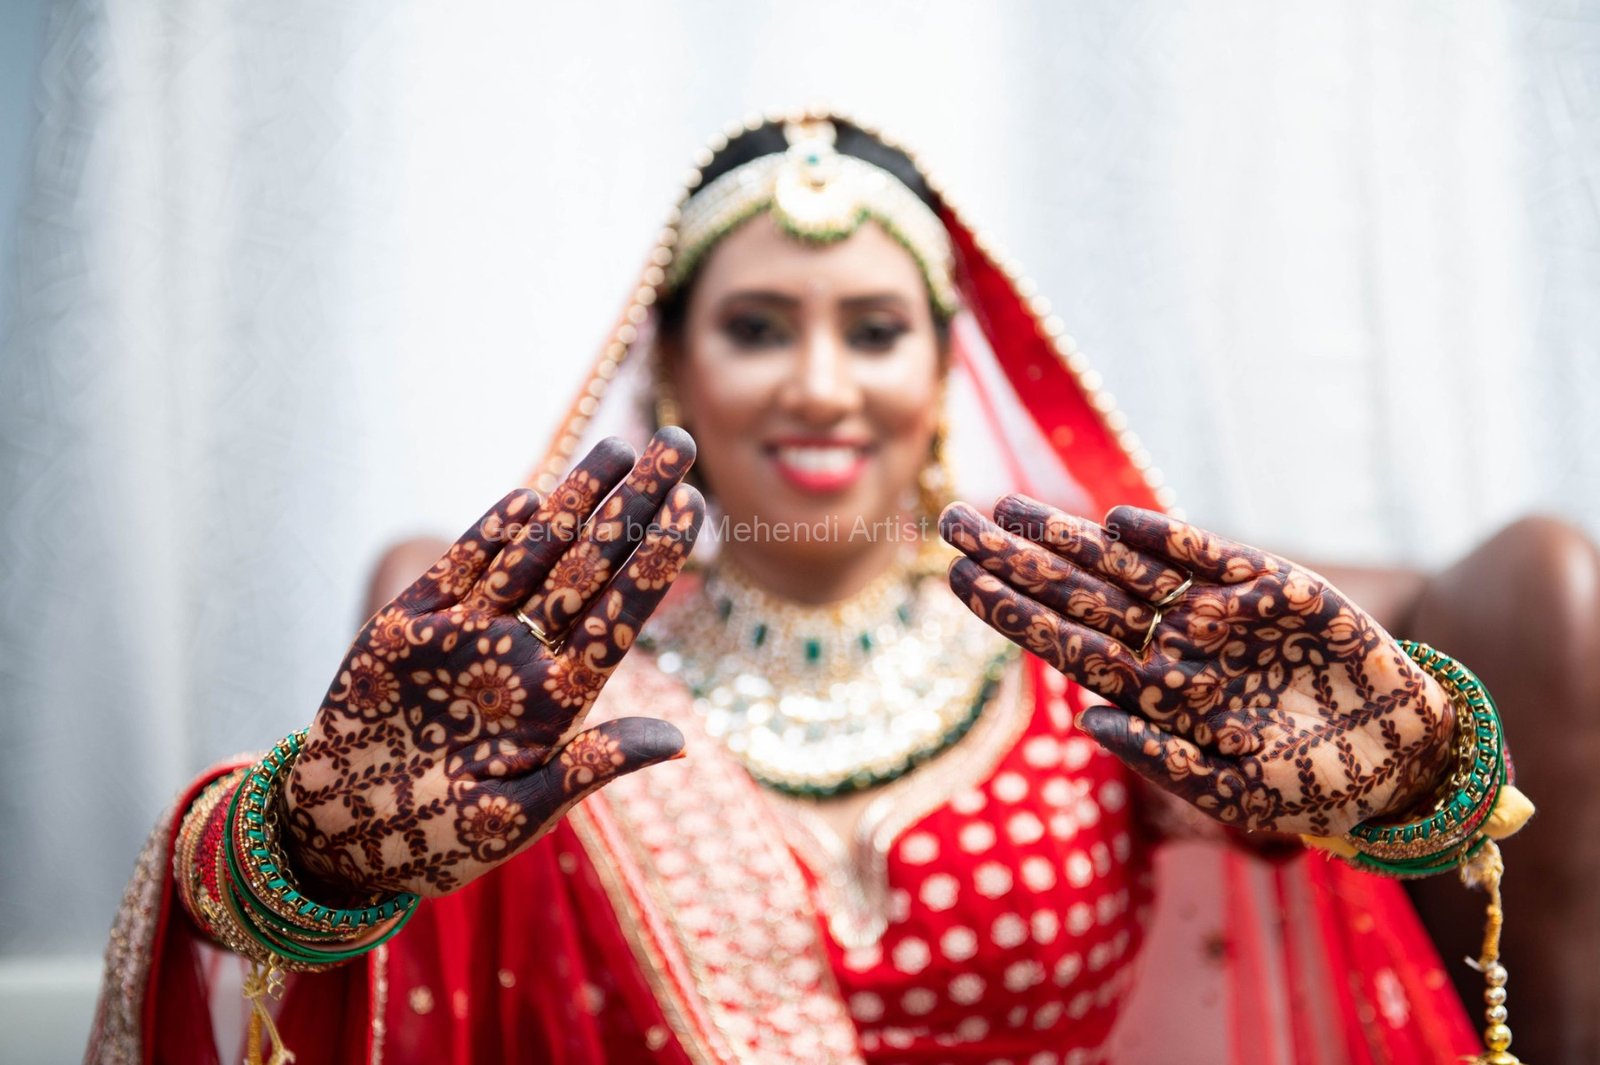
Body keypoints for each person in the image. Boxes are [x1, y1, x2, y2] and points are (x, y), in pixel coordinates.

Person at [85, 111, 1533, 1065]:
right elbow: (295, 967)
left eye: (877, 329)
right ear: (673, 364)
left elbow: (1352, 885)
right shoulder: (534, 701)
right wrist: (302, 859)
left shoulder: (1095, 669)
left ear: (942, 370)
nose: (822, 385)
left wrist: (1420, 779)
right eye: (761, 326)